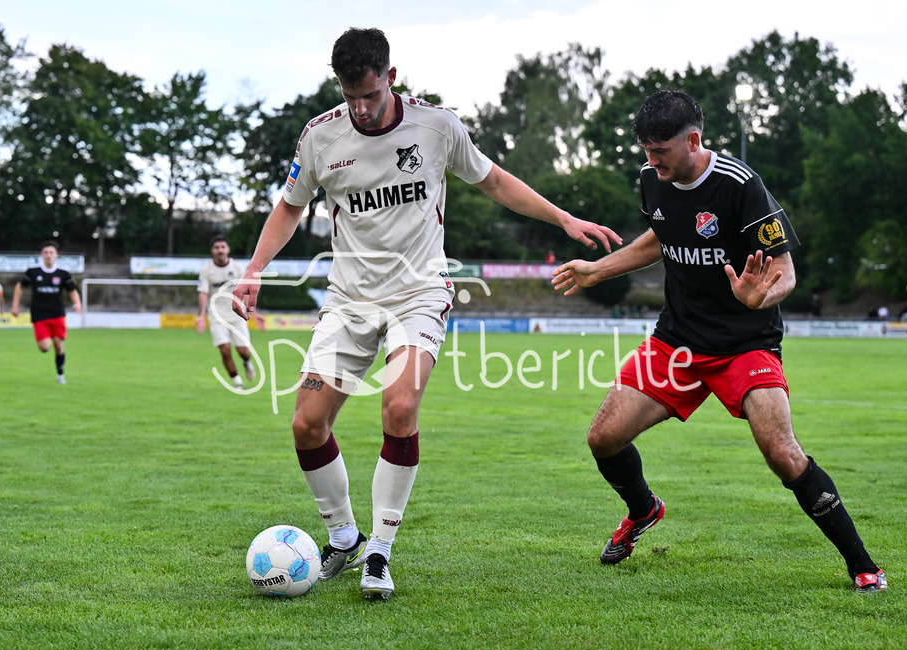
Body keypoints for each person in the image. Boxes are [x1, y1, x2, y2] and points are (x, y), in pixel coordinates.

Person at [232, 27, 620, 600]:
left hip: (420, 293)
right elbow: (289, 208)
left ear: (391, 77)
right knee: (307, 424)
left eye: (369, 93)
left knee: (400, 402)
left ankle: (380, 553)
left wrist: (562, 219)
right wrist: (255, 268)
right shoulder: (319, 137)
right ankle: (343, 535)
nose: (360, 108)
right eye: (349, 95)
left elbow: (493, 181)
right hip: (349, 301)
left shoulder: (437, 127)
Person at [552, 88, 885, 593]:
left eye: (661, 150)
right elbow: (661, 237)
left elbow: (787, 270)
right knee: (603, 437)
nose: (651, 160)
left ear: (693, 139)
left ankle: (863, 565)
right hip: (677, 342)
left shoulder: (740, 184)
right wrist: (599, 271)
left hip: (746, 343)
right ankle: (643, 511)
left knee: (782, 454)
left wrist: (763, 295)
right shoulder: (652, 179)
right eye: (645, 149)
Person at [11, 241, 82, 384]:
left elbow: (72, 290)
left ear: (56, 255)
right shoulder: (33, 272)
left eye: (51, 253)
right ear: (41, 255)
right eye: (46, 253)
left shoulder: (63, 274)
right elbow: (20, 287)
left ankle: (60, 374)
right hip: (39, 314)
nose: (49, 255)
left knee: (59, 344)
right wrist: (15, 305)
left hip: (57, 313)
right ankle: (49, 343)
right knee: (44, 347)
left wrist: (77, 303)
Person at [197, 235, 258, 388]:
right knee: (224, 349)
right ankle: (238, 382)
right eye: (216, 248)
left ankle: (246, 362)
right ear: (212, 250)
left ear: (228, 249)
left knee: (243, 351)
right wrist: (200, 316)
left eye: (223, 247)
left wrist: (254, 312)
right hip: (216, 316)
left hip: (236, 314)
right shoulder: (206, 270)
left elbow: (245, 291)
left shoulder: (237, 267)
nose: (220, 250)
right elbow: (203, 293)